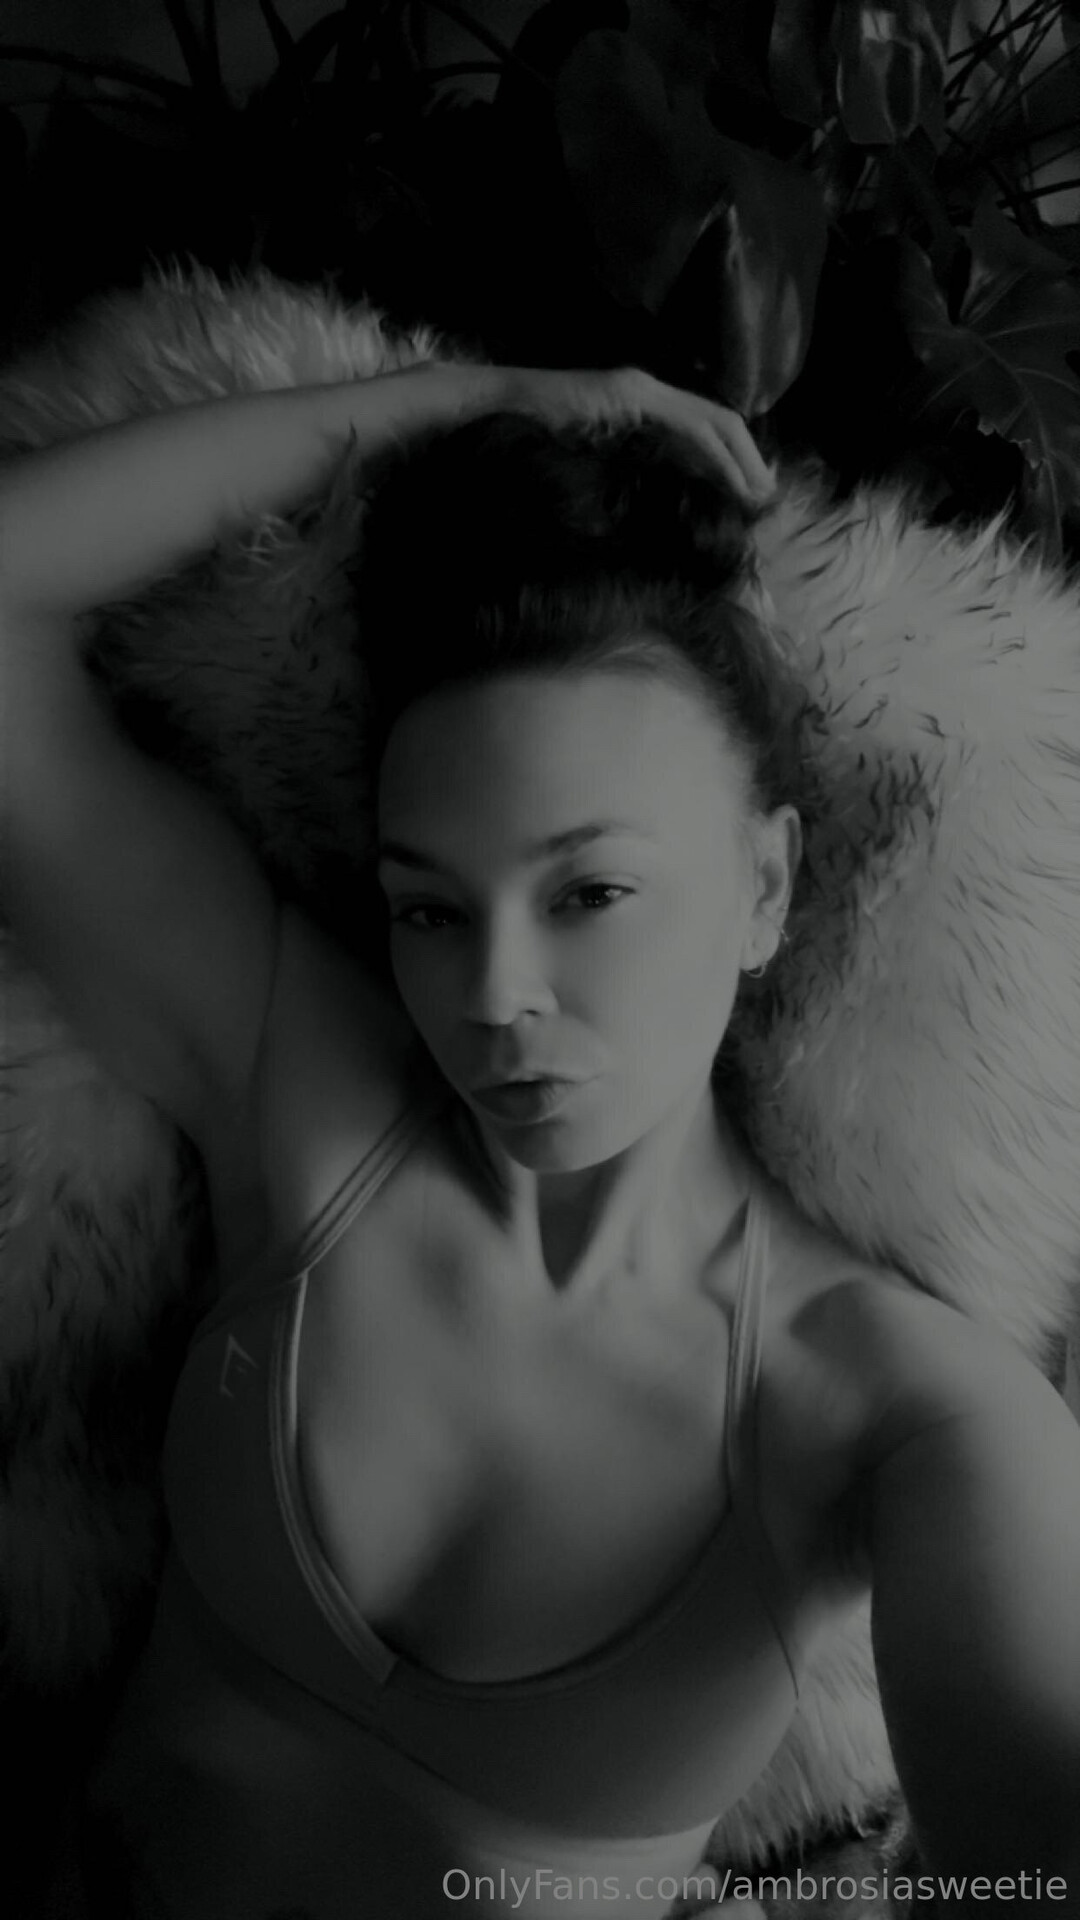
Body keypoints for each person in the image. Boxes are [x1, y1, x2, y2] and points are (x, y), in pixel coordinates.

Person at [1, 354, 1078, 1920]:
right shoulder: (303, 1087)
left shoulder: (888, 1404)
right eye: (431, 908)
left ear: (765, 888)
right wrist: (432, 403)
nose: (495, 995)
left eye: (590, 892)